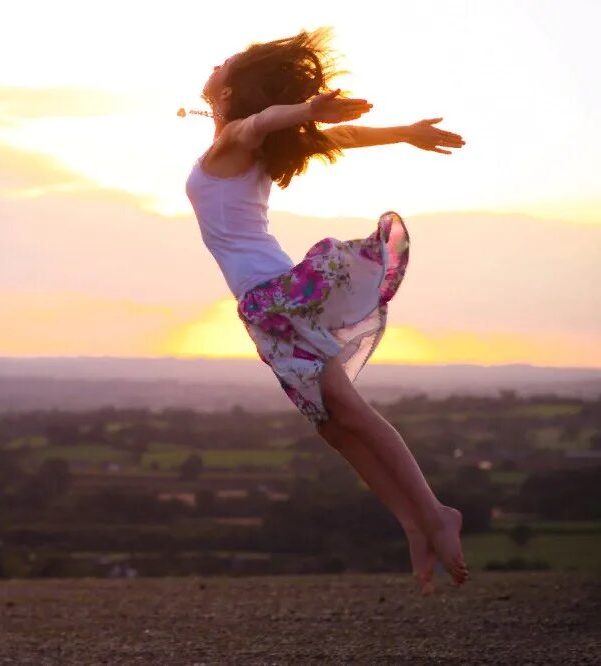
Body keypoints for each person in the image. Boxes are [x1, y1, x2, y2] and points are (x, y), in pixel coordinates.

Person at [183, 27, 469, 594]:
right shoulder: (245, 143)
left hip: (279, 295)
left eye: (228, 61)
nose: (218, 62)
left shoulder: (236, 139)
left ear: (235, 88)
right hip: (262, 307)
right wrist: (401, 133)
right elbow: (341, 134)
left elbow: (262, 122)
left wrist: (307, 109)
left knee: (349, 411)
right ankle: (414, 520)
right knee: (333, 427)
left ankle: (436, 515)